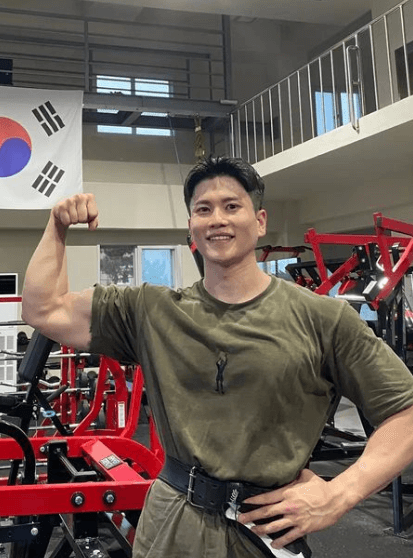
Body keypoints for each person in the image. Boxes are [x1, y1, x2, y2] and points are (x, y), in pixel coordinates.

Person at [21, 155, 413, 558]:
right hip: (171, 527)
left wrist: (339, 494)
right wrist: (57, 227)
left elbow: (406, 412)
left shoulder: (323, 318)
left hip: (265, 532)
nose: (217, 219)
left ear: (259, 221)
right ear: (192, 226)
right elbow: (43, 309)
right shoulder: (151, 310)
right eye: (203, 209)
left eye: (231, 206)